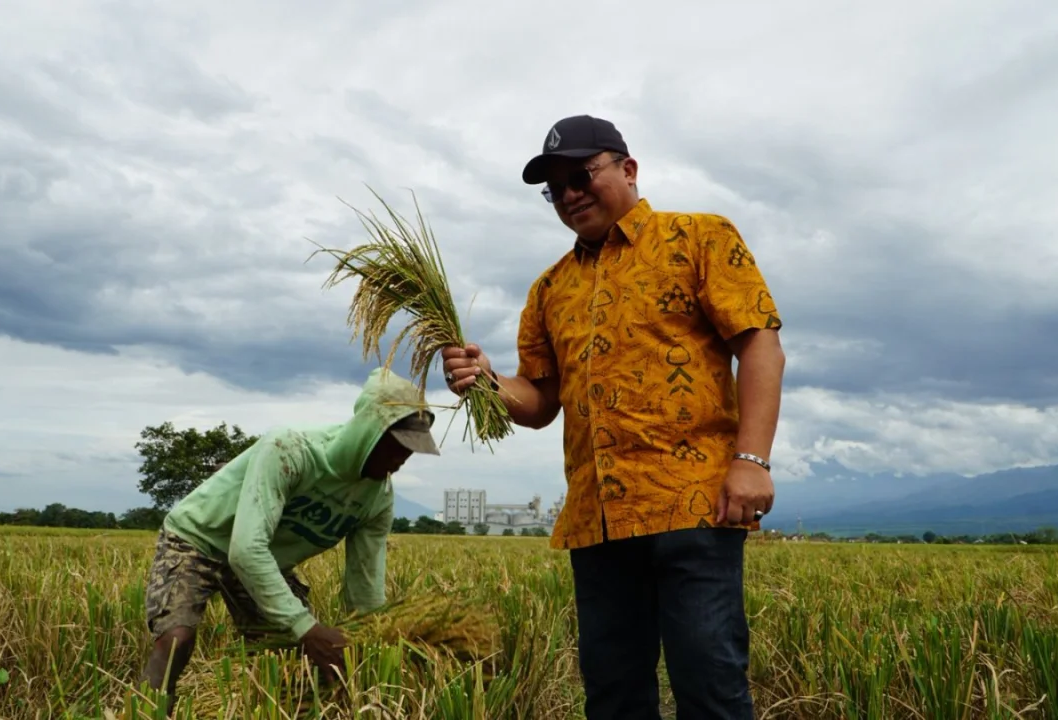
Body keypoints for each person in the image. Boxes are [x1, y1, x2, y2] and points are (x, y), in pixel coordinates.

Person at [441, 115, 785, 719]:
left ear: (627, 169)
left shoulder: (699, 237)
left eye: (581, 175)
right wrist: (487, 381)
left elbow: (759, 345)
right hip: (596, 521)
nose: (570, 194)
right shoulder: (549, 289)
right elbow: (543, 403)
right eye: (555, 188)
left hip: (693, 507)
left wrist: (751, 461)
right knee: (613, 699)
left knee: (711, 690)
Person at [137, 367, 441, 713]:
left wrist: (376, 641)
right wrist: (306, 628)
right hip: (198, 538)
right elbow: (246, 550)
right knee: (177, 639)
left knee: (291, 656)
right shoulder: (290, 449)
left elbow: (364, 590)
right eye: (397, 446)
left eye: (412, 450)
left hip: (264, 560)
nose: (402, 459)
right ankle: (147, 710)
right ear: (368, 432)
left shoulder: (376, 499)